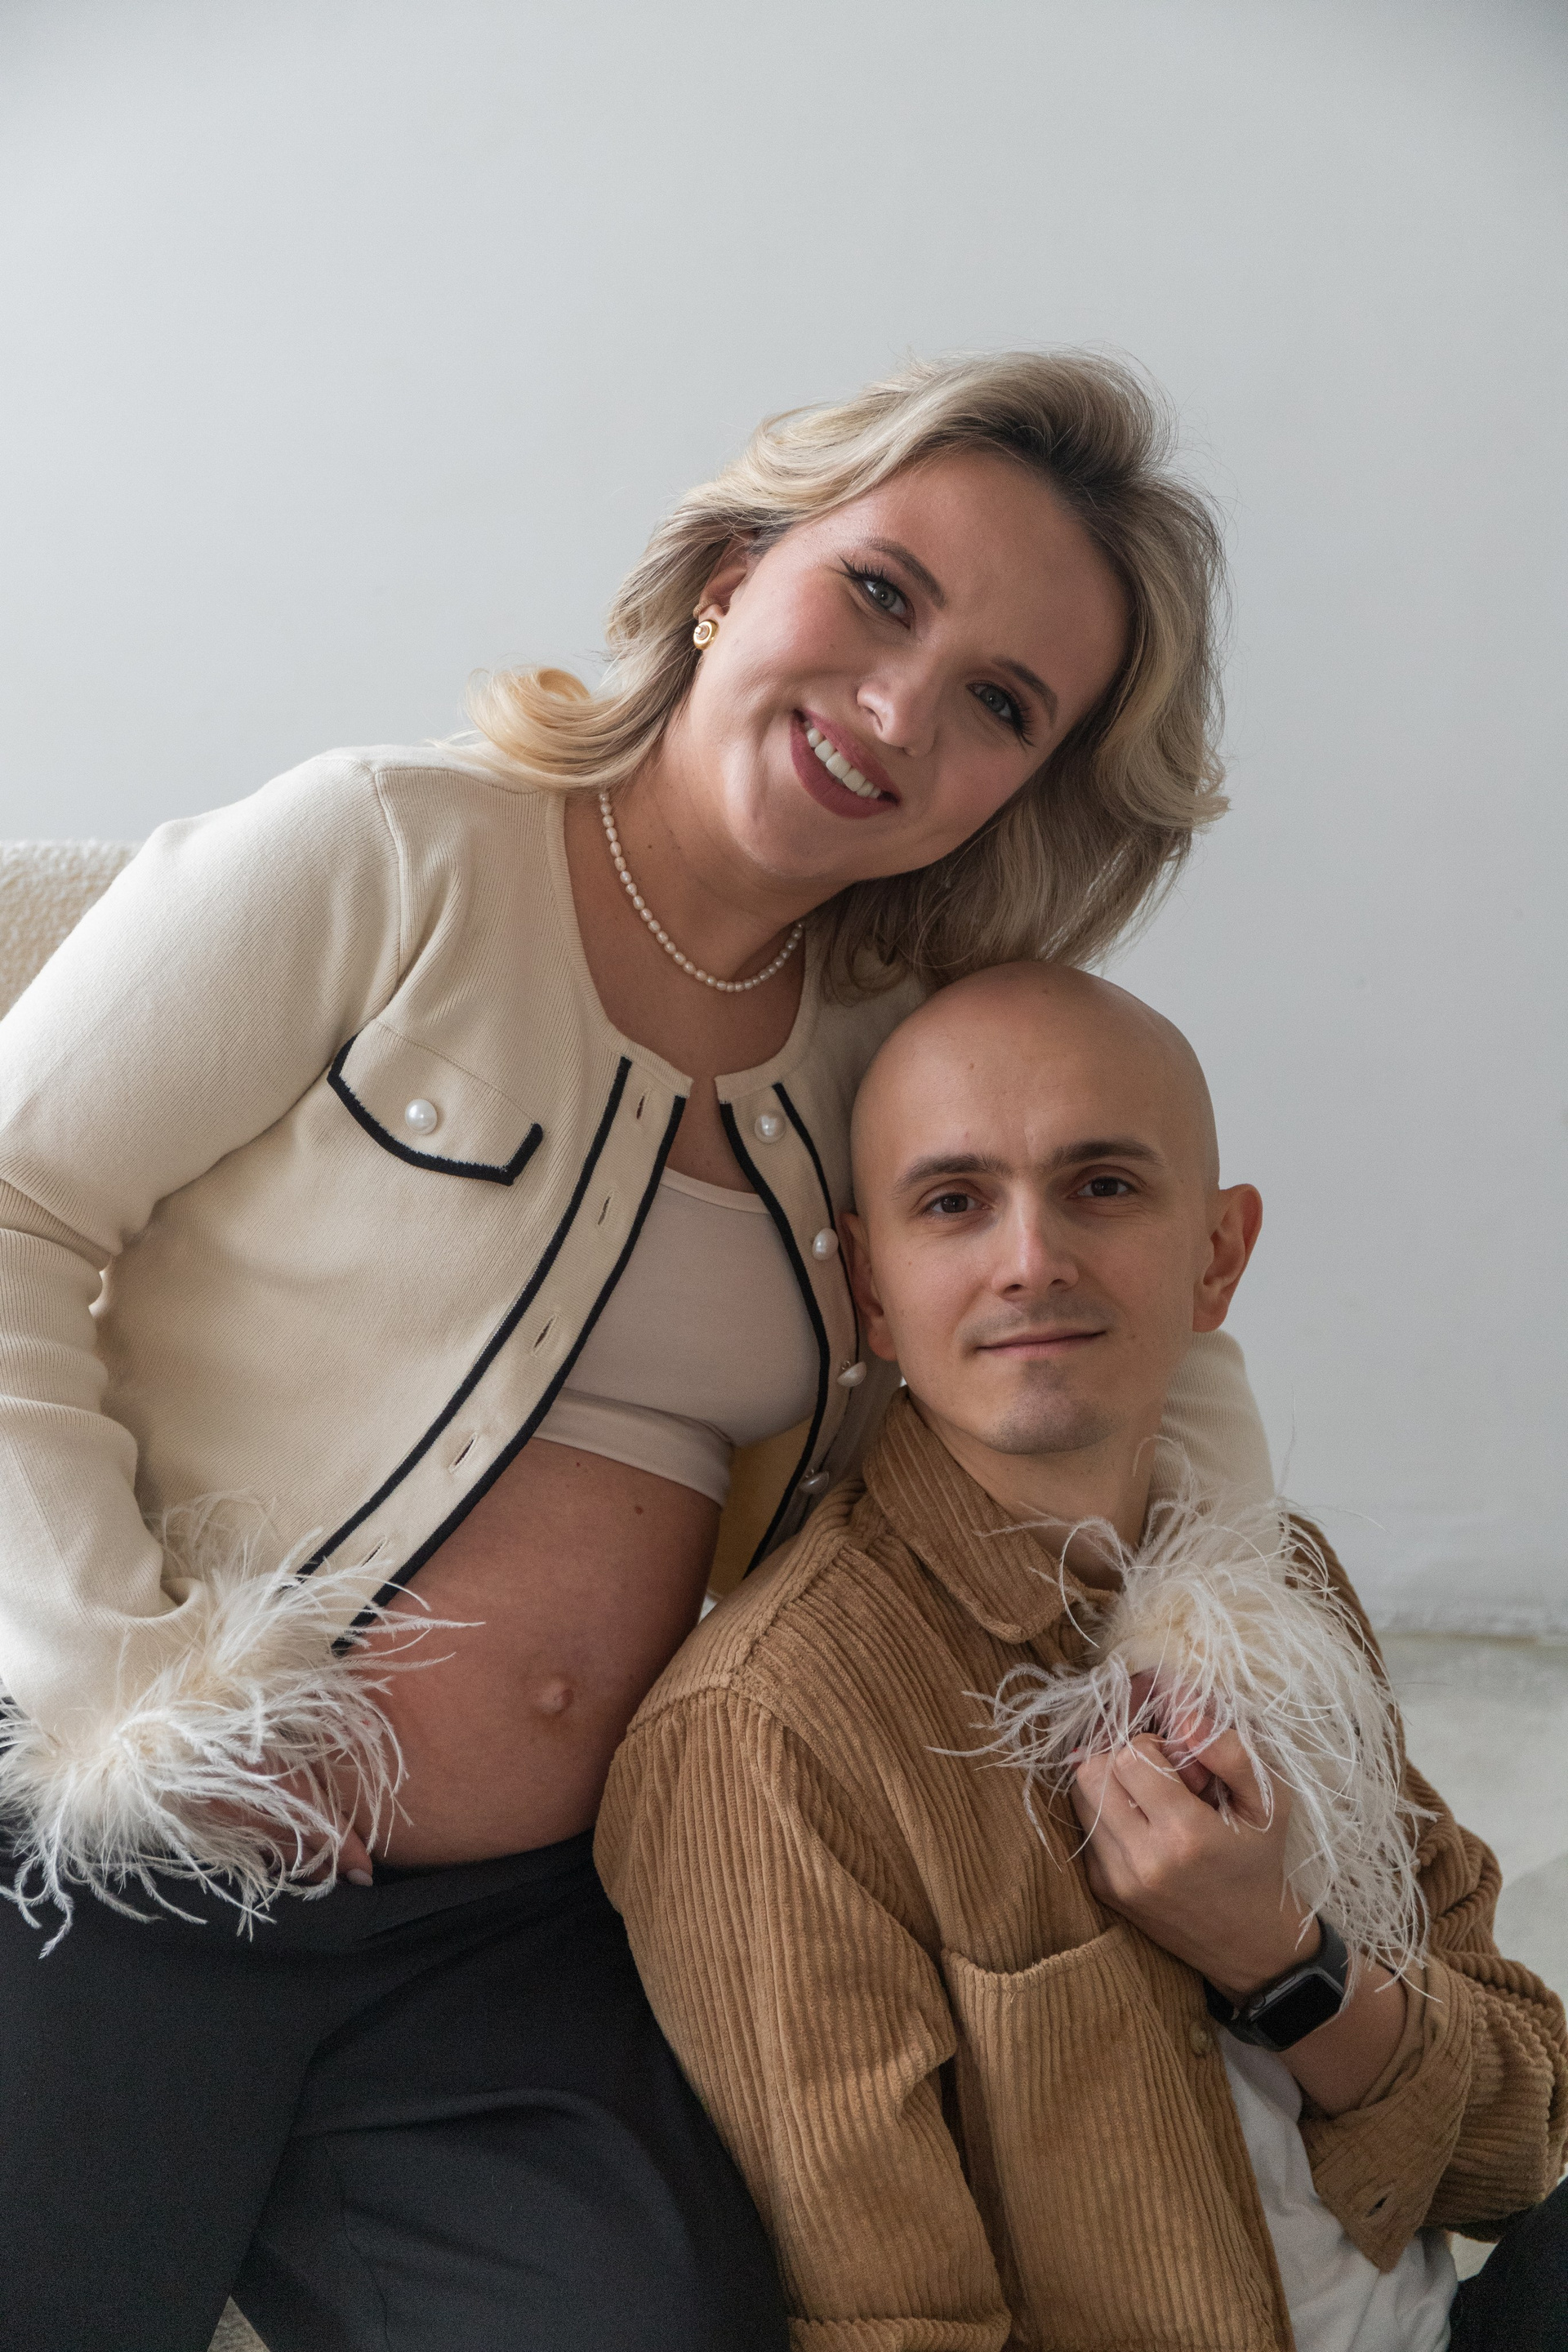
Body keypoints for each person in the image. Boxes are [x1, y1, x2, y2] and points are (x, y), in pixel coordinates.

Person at [0, 354, 1276, 2350]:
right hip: (114, 1854)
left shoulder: (890, 1048)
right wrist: (135, 1691)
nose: (899, 710)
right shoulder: (393, 849)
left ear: (1021, 788)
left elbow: (1156, 1322)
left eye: (1000, 706)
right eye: (880, 594)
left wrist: (1207, 1641)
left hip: (511, 1942)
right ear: (735, 572)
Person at [598, 963, 1568, 2352]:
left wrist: (1281, 1958)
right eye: (955, 1203)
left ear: (1218, 1256)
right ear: (872, 1286)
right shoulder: (766, 1730)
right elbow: (898, 2330)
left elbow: (1521, 2138)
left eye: (1102, 1186)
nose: (1031, 1260)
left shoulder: (1280, 1579)